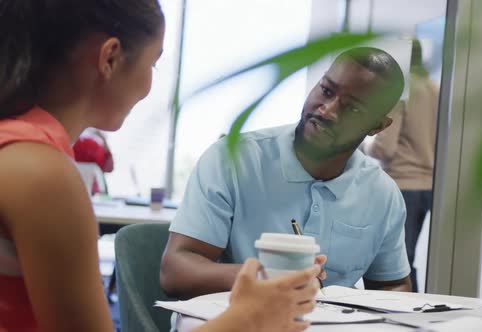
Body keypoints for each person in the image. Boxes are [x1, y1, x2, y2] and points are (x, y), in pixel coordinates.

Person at [0, 1, 318, 331]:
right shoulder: (42, 174)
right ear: (110, 57)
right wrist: (248, 318)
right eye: (154, 63)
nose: (150, 84)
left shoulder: (20, 147)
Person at [160, 47, 412, 301]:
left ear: (377, 126)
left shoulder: (383, 193)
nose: (327, 110)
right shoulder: (232, 159)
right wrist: (266, 278)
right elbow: (176, 272)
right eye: (326, 91)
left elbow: (393, 285)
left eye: (353, 109)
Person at [361, 39, 439, 292]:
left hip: (402, 185)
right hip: (429, 186)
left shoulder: (402, 92)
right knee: (408, 261)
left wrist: (362, 143)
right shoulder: (435, 89)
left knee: (396, 269)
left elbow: (385, 148)